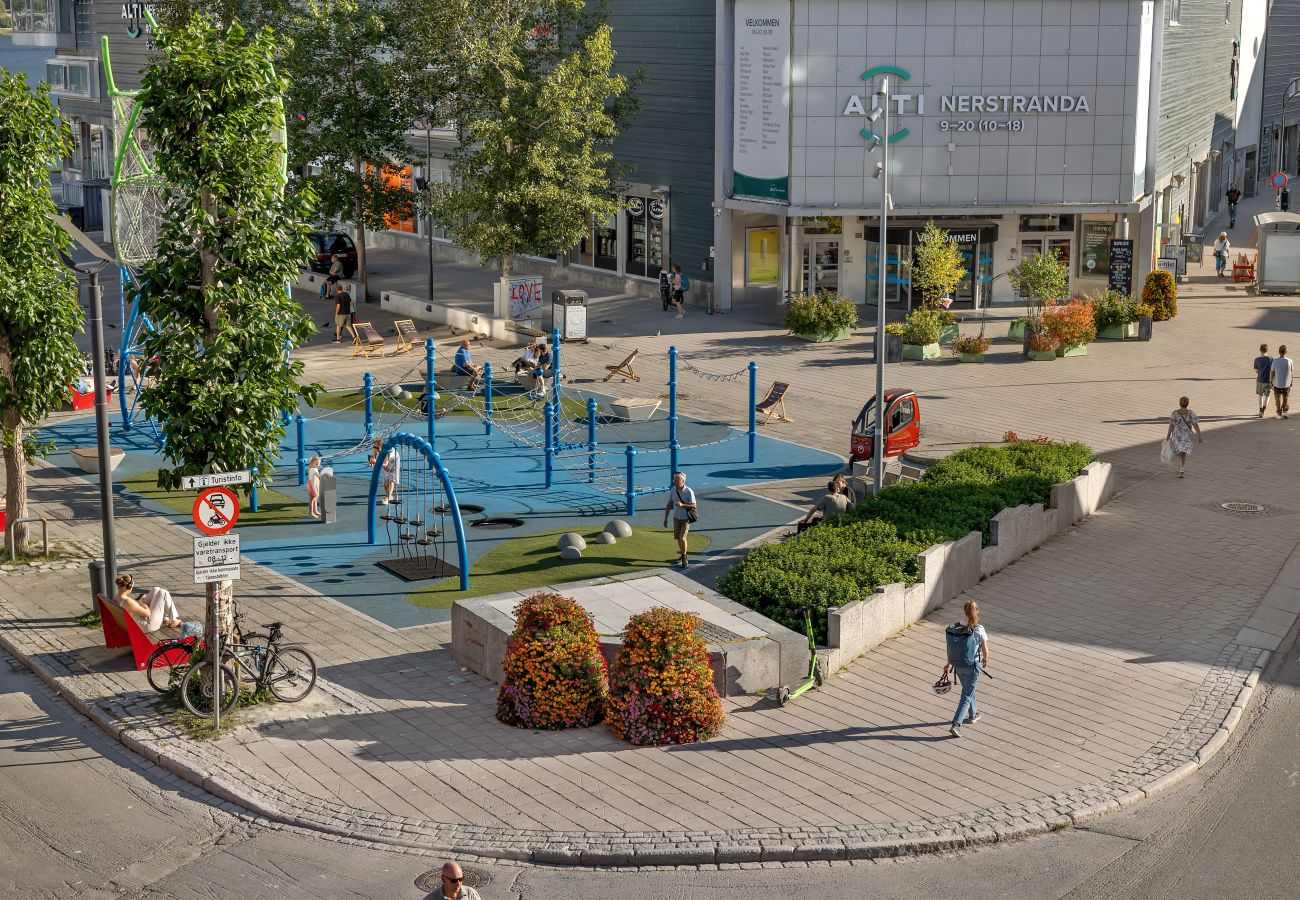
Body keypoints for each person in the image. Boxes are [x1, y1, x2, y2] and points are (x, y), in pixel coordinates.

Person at [943, 600, 988, 739]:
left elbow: (954, 648)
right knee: (967, 695)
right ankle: (956, 724)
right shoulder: (979, 629)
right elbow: (985, 650)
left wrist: (948, 664)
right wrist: (985, 659)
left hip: (958, 665)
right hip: (972, 665)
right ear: (977, 611)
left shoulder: (958, 627)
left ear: (964, 611)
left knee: (968, 689)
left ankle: (973, 715)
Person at [112, 574, 182, 633]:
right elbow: (147, 613)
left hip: (136, 622)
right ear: (129, 587)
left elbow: (135, 609)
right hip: (146, 625)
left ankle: (167, 619)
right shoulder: (127, 601)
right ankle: (173, 620)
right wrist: (144, 605)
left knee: (155, 589)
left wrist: (142, 604)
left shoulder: (117, 597)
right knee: (163, 593)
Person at [663, 470, 697, 569]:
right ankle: (682, 555)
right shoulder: (673, 490)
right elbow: (669, 504)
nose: (675, 481)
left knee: (682, 538)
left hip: (686, 518)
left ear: (683, 481)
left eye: (677, 480)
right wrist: (665, 518)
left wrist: (682, 505)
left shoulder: (689, 491)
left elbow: (694, 506)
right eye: (674, 480)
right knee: (678, 538)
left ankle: (685, 557)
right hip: (676, 518)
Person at [1166, 395, 1202, 478]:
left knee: (1178, 452)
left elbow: (1171, 425)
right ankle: (1181, 467)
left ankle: (1180, 468)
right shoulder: (1191, 413)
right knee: (1183, 452)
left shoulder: (1175, 413)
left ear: (1180, 403)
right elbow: (1196, 425)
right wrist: (1199, 436)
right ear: (1187, 404)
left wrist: (1168, 435)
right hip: (1186, 436)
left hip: (1176, 436)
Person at [368, 439, 401, 504]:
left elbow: (385, 464)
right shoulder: (376, 448)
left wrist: (375, 462)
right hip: (384, 462)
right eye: (374, 447)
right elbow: (372, 456)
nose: (375, 449)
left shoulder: (388, 452)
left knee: (391, 478)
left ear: (381, 447)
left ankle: (388, 497)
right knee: (385, 481)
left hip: (394, 461)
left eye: (377, 448)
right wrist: (370, 461)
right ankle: (389, 495)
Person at [1271, 344, 1293, 419]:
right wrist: (1291, 381)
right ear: (1286, 352)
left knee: (1278, 398)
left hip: (1276, 383)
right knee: (1285, 397)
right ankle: (1285, 412)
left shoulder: (1275, 361)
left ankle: (1278, 413)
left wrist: (1271, 381)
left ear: (1279, 352)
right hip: (1286, 383)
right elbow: (1291, 372)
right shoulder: (1289, 361)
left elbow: (1272, 372)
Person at [1253, 344, 1273, 418]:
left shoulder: (1257, 360)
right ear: (1267, 350)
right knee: (1267, 396)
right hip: (1268, 381)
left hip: (1260, 380)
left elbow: (1256, 371)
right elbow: (1273, 370)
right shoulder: (1271, 359)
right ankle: (1263, 411)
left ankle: (1260, 409)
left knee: (1260, 396)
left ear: (1260, 350)